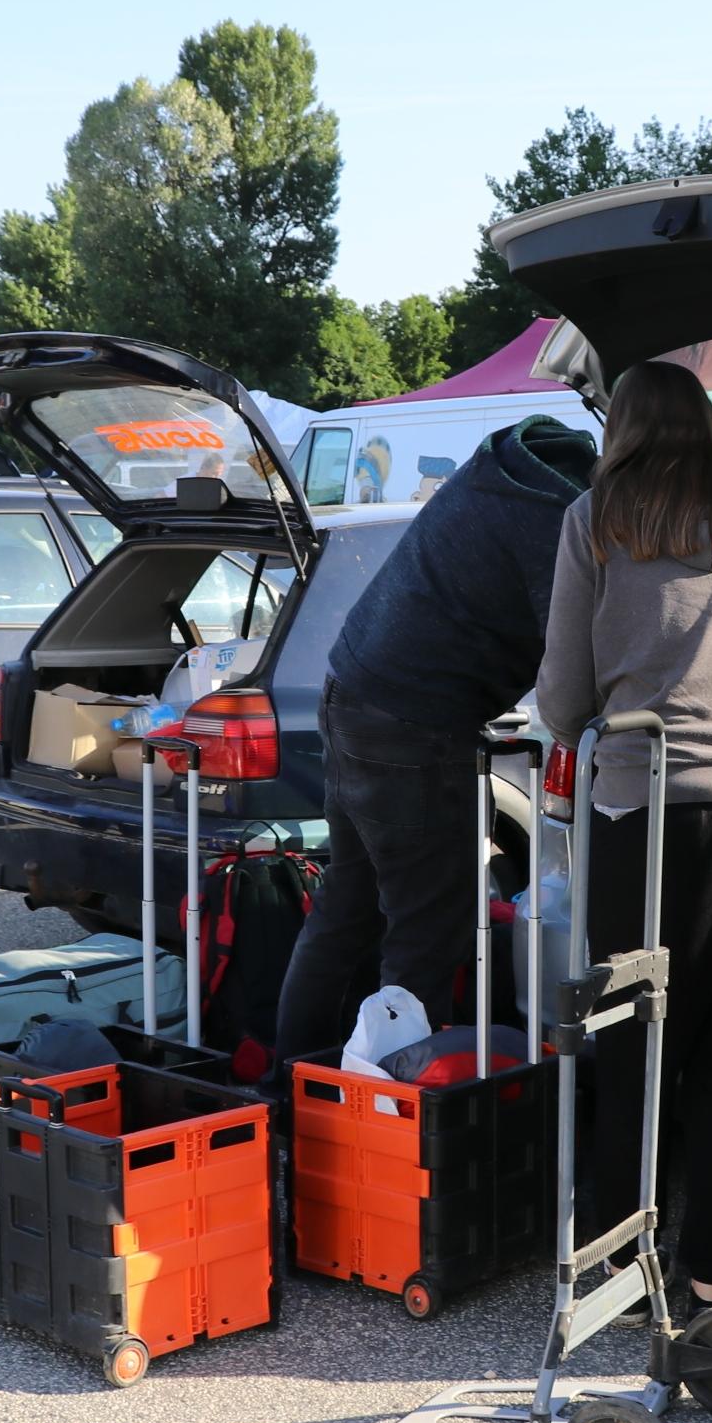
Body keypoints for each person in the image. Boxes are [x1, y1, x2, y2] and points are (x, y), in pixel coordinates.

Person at [534, 361, 712, 1319]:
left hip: (646, 818)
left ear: (622, 431)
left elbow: (562, 700)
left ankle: (624, 1262)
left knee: (637, 1046)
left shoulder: (596, 522)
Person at [272, 416, 599, 1062]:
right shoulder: (557, 518)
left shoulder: (495, 476)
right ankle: (404, 1119)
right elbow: (573, 660)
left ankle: (291, 1089)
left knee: (349, 908)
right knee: (428, 932)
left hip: (352, 692)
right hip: (412, 721)